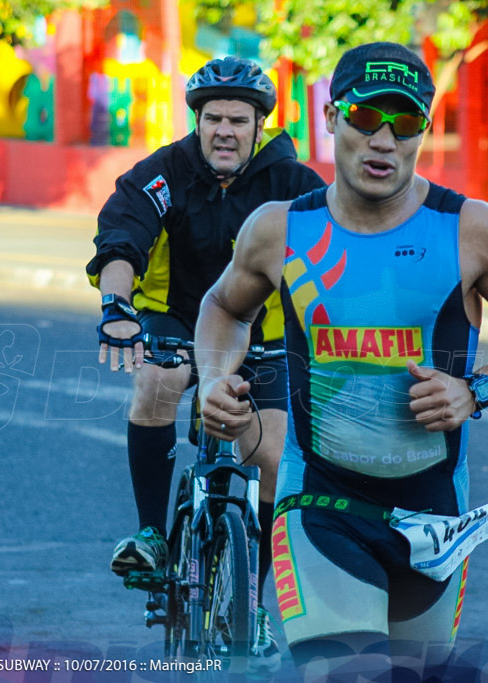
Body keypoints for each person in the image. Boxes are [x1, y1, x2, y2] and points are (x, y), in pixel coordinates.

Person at [194, 42, 488, 680]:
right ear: (332, 118)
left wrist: (476, 390)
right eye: (367, 119)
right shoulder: (280, 228)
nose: (384, 142)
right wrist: (215, 378)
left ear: (425, 127)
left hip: (434, 513)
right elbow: (224, 308)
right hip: (321, 501)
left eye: (406, 123)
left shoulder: (470, 229)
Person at [87, 56, 325, 671]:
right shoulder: (163, 175)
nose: (224, 130)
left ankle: (254, 600)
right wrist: (117, 305)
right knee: (156, 380)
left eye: (237, 120)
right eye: (212, 118)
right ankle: (150, 537)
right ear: (197, 122)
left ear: (258, 127)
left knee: (272, 464)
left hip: (264, 334)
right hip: (174, 321)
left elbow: (338, 250)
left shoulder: (293, 184)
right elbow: (122, 240)